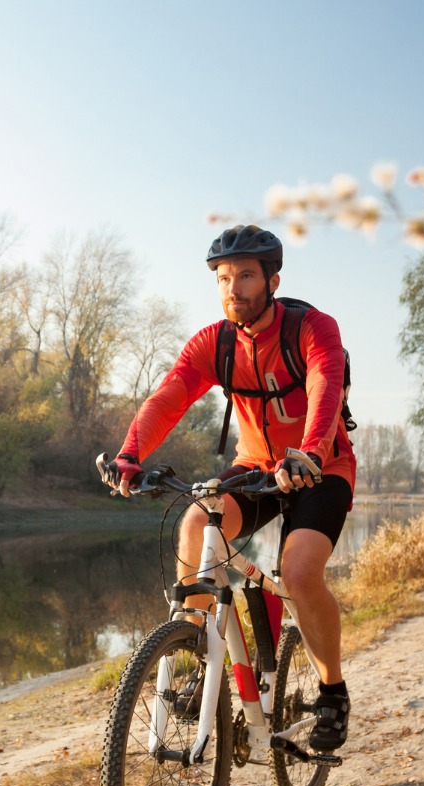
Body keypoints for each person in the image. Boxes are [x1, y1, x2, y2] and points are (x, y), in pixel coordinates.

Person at [103, 224, 356, 751]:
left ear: (272, 280)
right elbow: (169, 397)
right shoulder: (215, 344)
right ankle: (197, 648)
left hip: (321, 467)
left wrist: (310, 450)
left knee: (299, 570)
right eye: (222, 277)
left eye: (244, 275)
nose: (232, 287)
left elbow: (324, 384)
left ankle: (332, 689)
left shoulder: (312, 328)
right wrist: (130, 454)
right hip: (257, 467)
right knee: (197, 521)